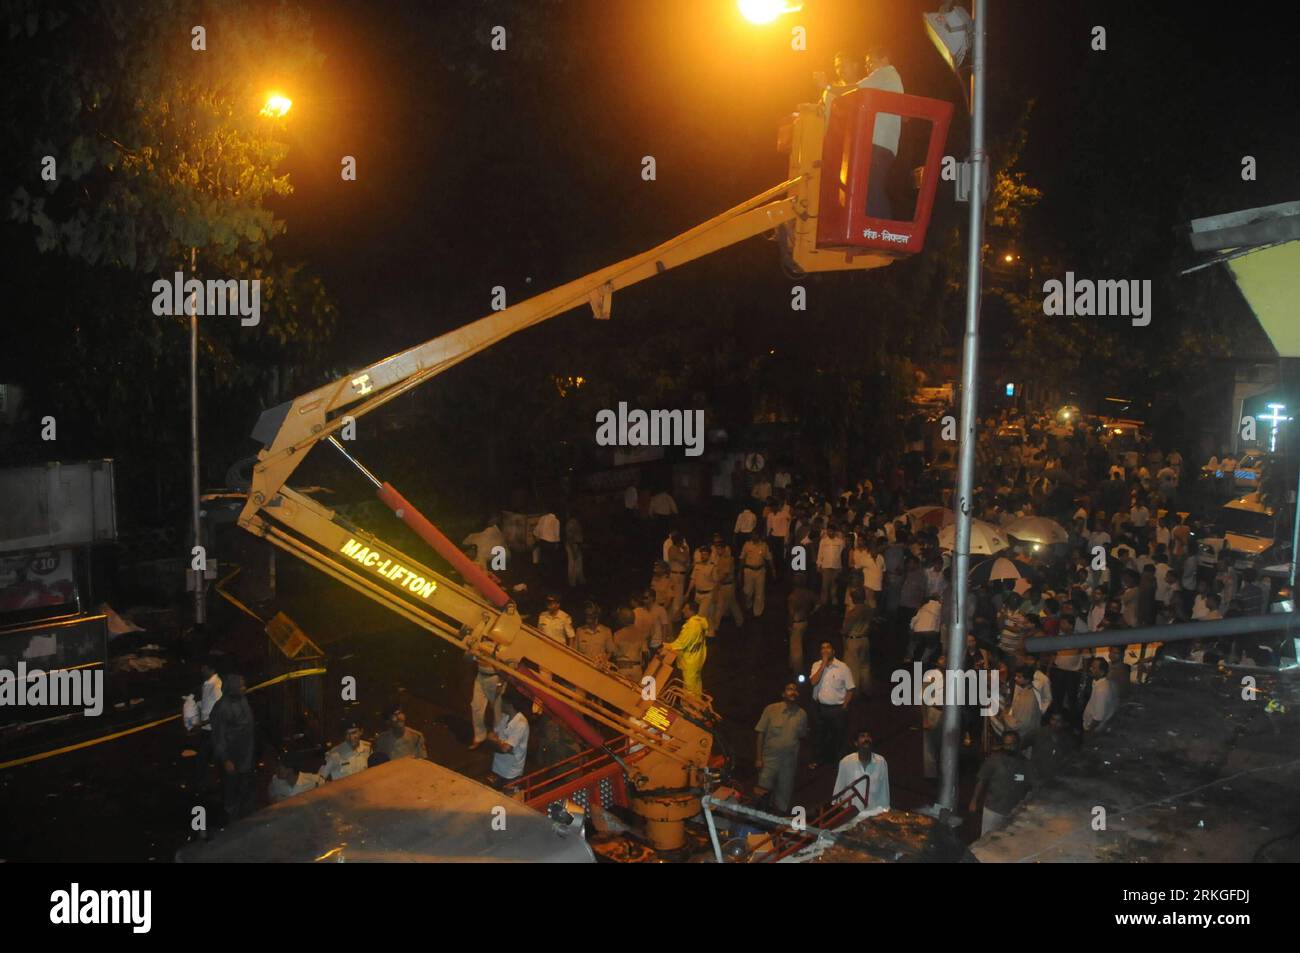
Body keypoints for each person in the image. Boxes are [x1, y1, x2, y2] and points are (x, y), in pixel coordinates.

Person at [753, 682, 810, 813]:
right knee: (762, 793)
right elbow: (760, 733)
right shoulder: (771, 710)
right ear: (783, 693)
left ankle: (777, 825)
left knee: (783, 796)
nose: (793, 692)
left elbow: (802, 737)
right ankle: (758, 823)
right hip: (769, 760)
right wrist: (758, 758)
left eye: (795, 690)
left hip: (789, 762)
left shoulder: (802, 714)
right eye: (789, 689)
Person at [210, 672, 256, 820]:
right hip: (232, 754)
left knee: (245, 783)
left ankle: (245, 812)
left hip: (245, 751)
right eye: (241, 685)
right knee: (231, 785)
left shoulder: (242, 699)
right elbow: (219, 735)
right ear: (233, 688)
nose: (244, 687)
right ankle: (231, 814)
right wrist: (225, 759)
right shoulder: (223, 707)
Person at [969, 730, 1029, 835]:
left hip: (1013, 811)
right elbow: (981, 779)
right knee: (986, 840)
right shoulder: (994, 760)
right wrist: (974, 800)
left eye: (1012, 744)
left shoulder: (1025, 764)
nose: (1009, 747)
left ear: (1018, 744)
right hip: (993, 809)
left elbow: (1028, 783)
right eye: (1006, 745)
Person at [809, 640, 855, 769]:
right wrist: (823, 665)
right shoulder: (816, 665)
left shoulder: (843, 667)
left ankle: (839, 762)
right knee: (819, 735)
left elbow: (850, 689)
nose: (825, 650)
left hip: (837, 709)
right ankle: (818, 759)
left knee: (838, 736)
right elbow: (813, 682)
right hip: (820, 708)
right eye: (822, 648)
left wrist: (844, 706)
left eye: (828, 647)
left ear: (833, 651)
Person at [833, 731, 891, 815]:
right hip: (849, 816)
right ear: (856, 743)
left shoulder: (881, 762)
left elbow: (884, 792)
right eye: (862, 736)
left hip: (871, 816)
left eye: (868, 736)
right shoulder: (846, 762)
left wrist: (885, 811)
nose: (866, 739)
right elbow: (838, 790)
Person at [666, 598, 709, 698]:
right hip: (697, 658)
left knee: (689, 687)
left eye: (685, 609)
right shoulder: (700, 623)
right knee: (696, 684)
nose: (683, 611)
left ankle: (688, 707)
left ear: (691, 611)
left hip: (690, 661)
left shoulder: (692, 626)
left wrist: (666, 646)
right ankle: (697, 705)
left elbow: (681, 643)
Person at [487, 692, 530, 786]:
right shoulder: (503, 716)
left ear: (509, 705)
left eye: (502, 702)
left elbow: (505, 748)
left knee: (509, 796)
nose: (500, 704)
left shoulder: (521, 723)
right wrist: (500, 743)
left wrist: (496, 741)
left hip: (511, 772)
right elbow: (492, 735)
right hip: (497, 767)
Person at [467, 645, 503, 750]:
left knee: (497, 709)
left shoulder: (501, 636)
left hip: (495, 677)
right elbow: (467, 657)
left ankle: (497, 736)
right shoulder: (481, 635)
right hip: (480, 675)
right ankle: (479, 736)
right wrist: (471, 653)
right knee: (476, 706)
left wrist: (501, 680)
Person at [840, 587, 873, 697]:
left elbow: (846, 629)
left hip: (853, 640)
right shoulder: (869, 609)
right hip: (865, 639)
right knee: (865, 667)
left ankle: (854, 694)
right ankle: (866, 689)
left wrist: (844, 641)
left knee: (852, 668)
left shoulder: (852, 613)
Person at [709, 539, 744, 633]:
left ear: (724, 549)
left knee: (722, 605)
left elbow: (725, 573)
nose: (718, 550)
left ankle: (715, 626)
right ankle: (740, 621)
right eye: (717, 549)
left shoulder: (728, 559)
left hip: (727, 585)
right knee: (732, 604)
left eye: (720, 548)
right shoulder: (719, 559)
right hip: (724, 584)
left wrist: (717, 583)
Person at [787, 572, 818, 675]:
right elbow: (819, 603)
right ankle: (793, 665)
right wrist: (811, 612)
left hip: (796, 623)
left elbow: (791, 613)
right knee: (800, 645)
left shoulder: (793, 596)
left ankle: (797, 670)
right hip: (805, 621)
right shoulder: (808, 594)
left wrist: (790, 624)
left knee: (796, 648)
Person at [740, 531, 774, 618]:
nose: (754, 536)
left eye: (756, 534)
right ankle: (748, 606)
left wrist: (773, 570)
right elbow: (742, 558)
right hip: (748, 570)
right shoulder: (747, 545)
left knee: (760, 593)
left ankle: (757, 613)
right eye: (753, 534)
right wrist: (739, 572)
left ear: (759, 535)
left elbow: (769, 558)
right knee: (747, 592)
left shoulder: (764, 545)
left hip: (760, 571)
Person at [1082, 657, 1118, 732]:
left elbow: (1098, 718)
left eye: (1094, 668)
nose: (1090, 669)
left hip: (1095, 729)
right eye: (1091, 667)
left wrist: (1089, 731)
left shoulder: (1101, 690)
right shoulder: (1105, 683)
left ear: (1101, 672)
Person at [575, 601, 616, 665]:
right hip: (583, 667)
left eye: (590, 614)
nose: (587, 616)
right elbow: (575, 652)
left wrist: (604, 660)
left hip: (600, 669)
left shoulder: (606, 631)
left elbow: (610, 651)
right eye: (586, 614)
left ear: (596, 615)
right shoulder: (579, 631)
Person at [816, 523, 846, 608]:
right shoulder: (823, 541)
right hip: (826, 567)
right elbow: (820, 553)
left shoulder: (840, 541)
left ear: (835, 532)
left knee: (834, 588)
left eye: (832, 531)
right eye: (829, 531)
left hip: (836, 567)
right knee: (824, 587)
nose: (830, 533)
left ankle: (834, 605)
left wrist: (841, 567)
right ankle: (823, 604)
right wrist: (818, 565)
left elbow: (842, 554)